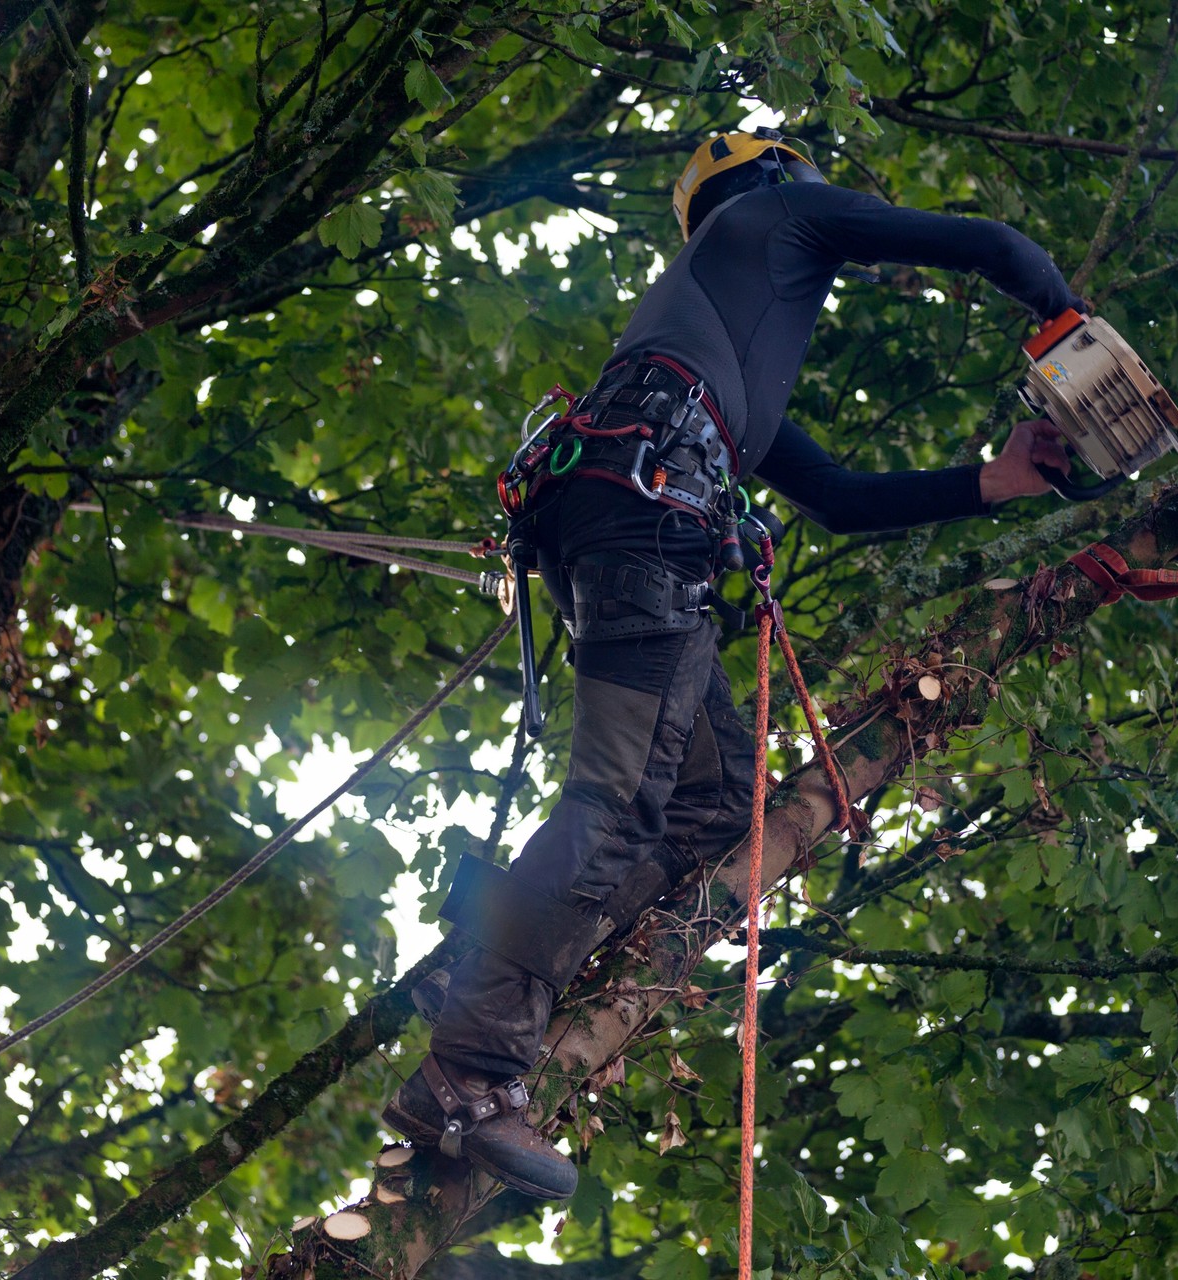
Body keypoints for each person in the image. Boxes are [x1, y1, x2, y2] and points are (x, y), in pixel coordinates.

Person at [381, 128, 1089, 1199]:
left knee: (713, 806)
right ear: (770, 180)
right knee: (616, 805)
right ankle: (469, 1075)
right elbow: (989, 241)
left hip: (634, 520)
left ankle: (489, 954)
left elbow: (842, 499)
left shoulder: (726, 370)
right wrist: (1066, 320)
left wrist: (996, 482)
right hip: (641, 518)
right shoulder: (770, 217)